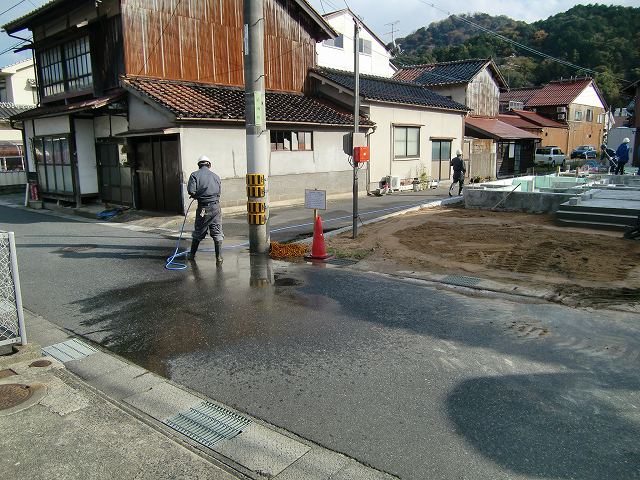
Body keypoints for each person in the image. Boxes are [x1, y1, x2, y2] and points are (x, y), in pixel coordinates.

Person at [187, 155, 224, 264]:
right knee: (217, 231)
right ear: (209, 165)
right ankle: (219, 257)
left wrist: (197, 195)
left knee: (199, 230)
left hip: (203, 208)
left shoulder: (194, 175)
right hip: (216, 207)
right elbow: (219, 192)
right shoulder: (216, 176)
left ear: (199, 165)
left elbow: (191, 191)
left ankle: (192, 255)